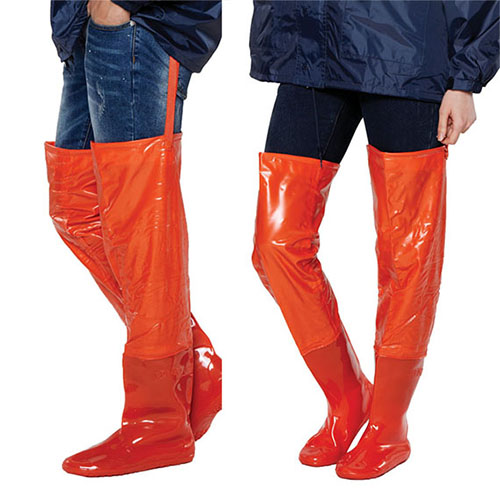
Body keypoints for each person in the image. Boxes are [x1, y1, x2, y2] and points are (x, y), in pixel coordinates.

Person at [250, 0, 499, 479]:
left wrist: (467, 78)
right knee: (275, 243)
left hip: (407, 50)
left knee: (408, 251)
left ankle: (388, 421)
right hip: (309, 48)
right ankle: (348, 396)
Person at [45, 0, 222, 477]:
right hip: (84, 25)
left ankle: (157, 423)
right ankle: (189, 357)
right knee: (76, 208)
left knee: (140, 222)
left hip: (139, 22)